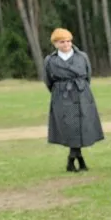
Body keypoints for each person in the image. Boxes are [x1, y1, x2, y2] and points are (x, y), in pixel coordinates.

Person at [44, 29, 105, 172]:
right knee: (70, 127)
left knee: (81, 126)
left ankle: (73, 160)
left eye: (68, 41)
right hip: (62, 96)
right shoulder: (51, 60)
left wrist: (81, 89)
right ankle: (77, 159)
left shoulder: (81, 56)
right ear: (55, 44)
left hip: (81, 93)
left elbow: (88, 75)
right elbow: (48, 80)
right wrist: (59, 91)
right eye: (62, 42)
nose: (66, 44)